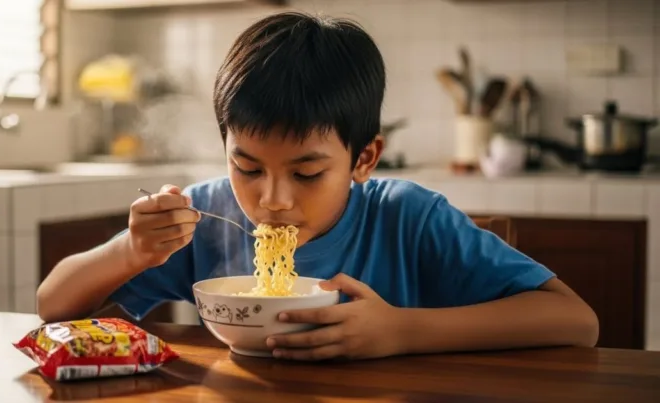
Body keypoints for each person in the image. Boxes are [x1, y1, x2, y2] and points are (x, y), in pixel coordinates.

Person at [37, 11, 598, 360]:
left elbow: (576, 322)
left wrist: (402, 332)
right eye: (248, 167)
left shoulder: (408, 218)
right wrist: (131, 251)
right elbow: (53, 306)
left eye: (307, 173)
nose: (272, 199)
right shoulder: (206, 214)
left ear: (365, 158)